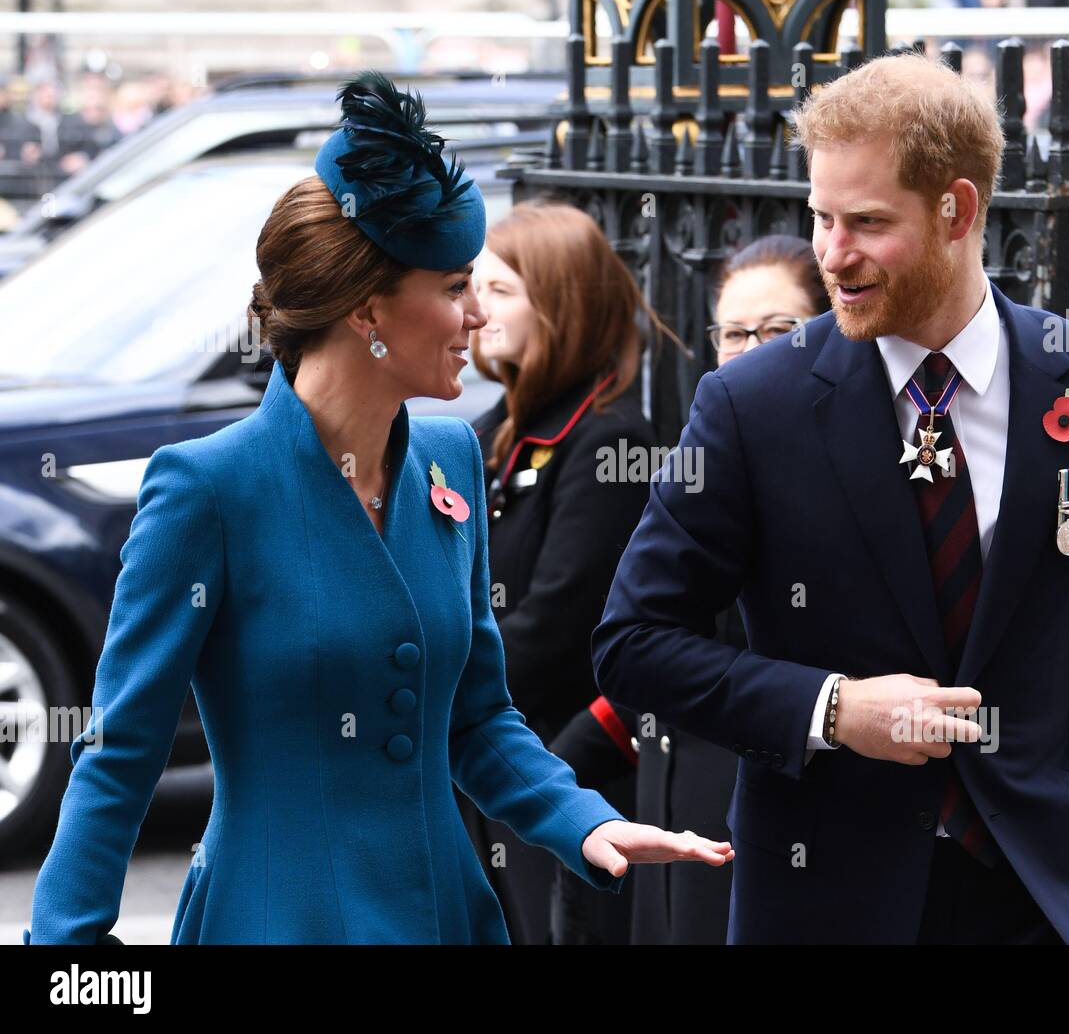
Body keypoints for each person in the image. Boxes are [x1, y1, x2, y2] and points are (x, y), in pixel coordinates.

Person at [22, 71, 731, 946]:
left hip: (447, 918)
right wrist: (71, 963)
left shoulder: (452, 457)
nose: (477, 316)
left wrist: (582, 820)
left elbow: (476, 717)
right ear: (368, 312)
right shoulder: (207, 490)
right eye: (454, 287)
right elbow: (120, 755)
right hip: (275, 922)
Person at [592, 53, 1069, 945]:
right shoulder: (750, 404)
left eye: (868, 224)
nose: (833, 256)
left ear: (957, 210)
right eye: (822, 219)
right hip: (826, 900)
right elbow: (633, 644)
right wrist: (834, 709)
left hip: (1056, 899)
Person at [550, 234, 829, 944]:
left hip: (772, 796)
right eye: (734, 332)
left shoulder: (845, 470)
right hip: (672, 793)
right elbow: (645, 633)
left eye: (780, 330)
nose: (751, 349)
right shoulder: (703, 459)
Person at [453, 200, 673, 945]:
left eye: (502, 291)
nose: (477, 311)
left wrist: (430, 692)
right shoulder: (496, 428)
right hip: (492, 751)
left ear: (562, 305)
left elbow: (557, 623)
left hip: (563, 765)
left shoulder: (608, 439)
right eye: (473, 288)